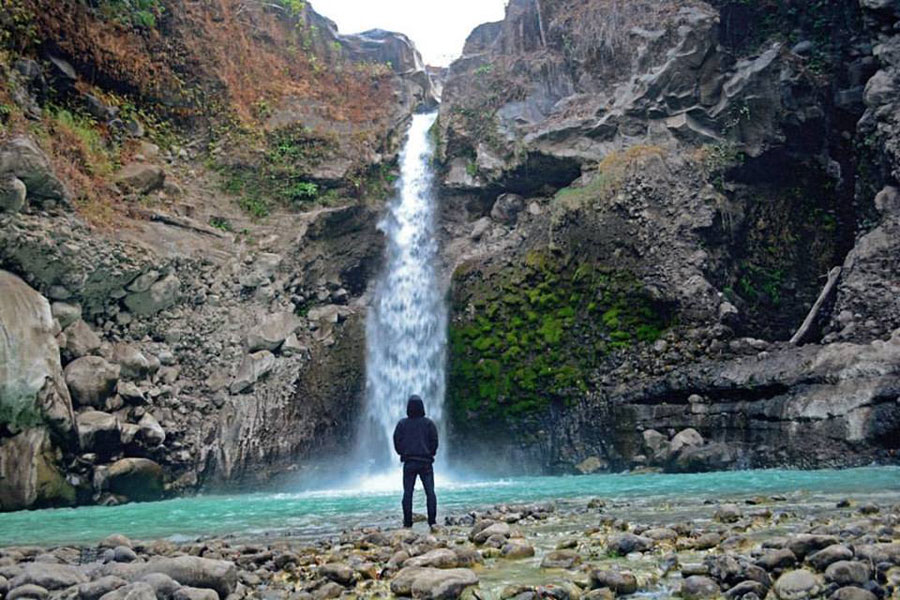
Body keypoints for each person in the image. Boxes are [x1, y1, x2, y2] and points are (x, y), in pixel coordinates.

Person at [392, 394, 439, 529]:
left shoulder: (402, 424)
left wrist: (402, 453)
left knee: (408, 493)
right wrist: (430, 454)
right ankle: (432, 522)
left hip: (409, 462)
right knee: (430, 492)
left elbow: (396, 441)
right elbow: (434, 441)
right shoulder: (429, 423)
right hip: (425, 463)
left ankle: (407, 522)